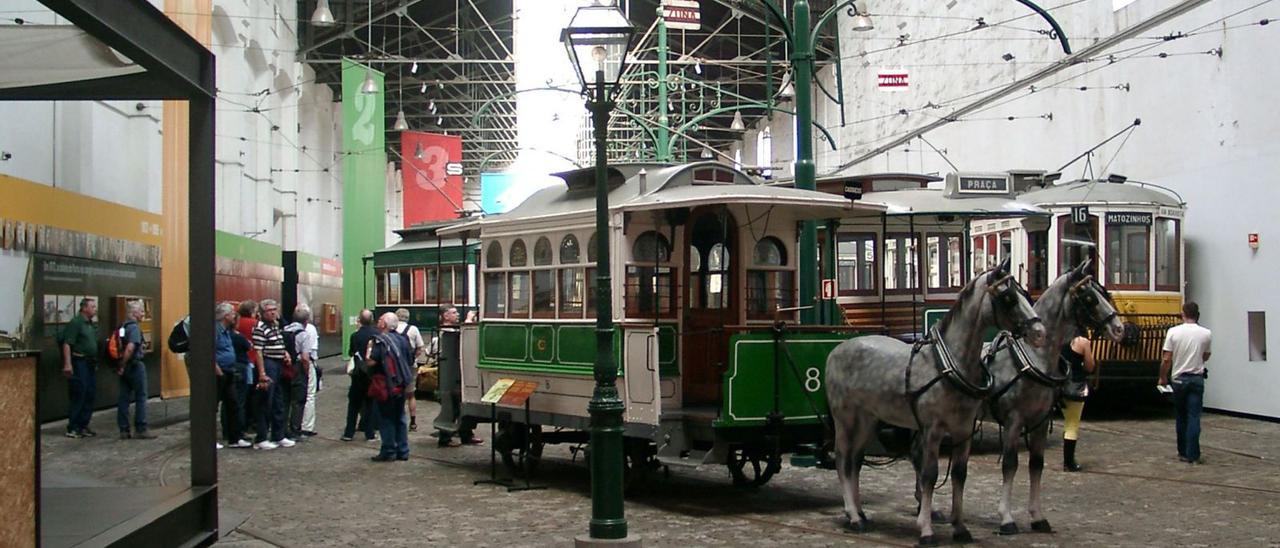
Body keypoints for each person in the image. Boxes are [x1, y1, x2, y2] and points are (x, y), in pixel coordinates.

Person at [1159, 302, 1212, 464]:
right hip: (1197, 378)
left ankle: (1182, 451)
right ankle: (1193, 455)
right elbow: (1206, 355)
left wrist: (1162, 377)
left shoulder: (1173, 332)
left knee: (1181, 416)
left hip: (1179, 379)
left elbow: (1167, 358)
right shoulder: (1206, 333)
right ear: (1197, 314)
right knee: (1194, 416)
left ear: (1183, 314)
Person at [365, 312, 415, 461]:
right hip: (401, 383)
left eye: (380, 319)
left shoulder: (379, 341)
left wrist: (368, 350)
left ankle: (388, 450)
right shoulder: (403, 339)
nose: (378, 322)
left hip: (385, 385)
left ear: (384, 324)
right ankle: (403, 450)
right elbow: (410, 358)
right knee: (400, 417)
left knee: (386, 418)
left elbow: (371, 362)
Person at [434, 305, 482, 447]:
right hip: (451, 375)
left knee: (460, 406)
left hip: (458, 373)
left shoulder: (452, 330)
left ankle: (465, 434)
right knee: (452, 406)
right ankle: (445, 437)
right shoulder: (445, 332)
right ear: (445, 316)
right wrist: (468, 320)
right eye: (453, 313)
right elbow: (464, 337)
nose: (457, 315)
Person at [252, 299, 295, 450]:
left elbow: (278, 343)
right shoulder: (260, 328)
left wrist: (285, 353)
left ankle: (279, 435)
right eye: (269, 310)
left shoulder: (275, 326)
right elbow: (258, 351)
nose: (273, 312)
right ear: (262, 313)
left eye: (274, 309)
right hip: (269, 364)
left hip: (278, 364)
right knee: (265, 402)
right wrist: (262, 373)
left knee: (278, 401)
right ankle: (261, 438)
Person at [59, 297, 100, 438]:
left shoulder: (90, 324)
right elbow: (67, 343)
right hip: (79, 362)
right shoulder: (76, 323)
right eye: (93, 306)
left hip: (90, 363)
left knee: (90, 393)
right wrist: (68, 363)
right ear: (84, 308)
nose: (95, 309)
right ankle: (73, 426)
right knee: (79, 393)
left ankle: (83, 425)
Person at [116, 301, 155, 439]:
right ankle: (141, 427)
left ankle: (123, 429)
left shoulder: (122, 326)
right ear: (134, 313)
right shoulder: (134, 328)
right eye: (141, 311)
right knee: (141, 396)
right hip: (134, 365)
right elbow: (130, 347)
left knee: (124, 398)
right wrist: (124, 363)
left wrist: (120, 366)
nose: (143, 314)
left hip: (124, 367)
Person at [215, 303, 251, 448]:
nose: (234, 316)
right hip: (220, 372)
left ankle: (235, 438)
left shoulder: (227, 331)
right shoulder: (215, 331)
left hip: (229, 371)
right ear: (225, 316)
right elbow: (210, 352)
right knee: (213, 406)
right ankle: (209, 439)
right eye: (232, 314)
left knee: (233, 404)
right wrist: (218, 372)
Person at [342, 310, 380, 442]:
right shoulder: (378, 335)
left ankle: (348, 433)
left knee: (353, 404)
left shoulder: (355, 336)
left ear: (360, 320)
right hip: (372, 374)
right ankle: (369, 433)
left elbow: (352, 352)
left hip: (358, 374)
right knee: (370, 404)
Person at [1060, 335, 1096, 472]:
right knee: (1072, 424)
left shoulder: (1058, 336)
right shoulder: (1082, 342)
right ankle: (1069, 462)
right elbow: (1089, 366)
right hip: (1074, 385)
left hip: (1057, 384)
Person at [282, 305, 315, 441]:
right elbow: (305, 357)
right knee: (298, 400)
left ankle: (282, 429)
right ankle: (295, 429)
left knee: (285, 400)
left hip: (284, 367)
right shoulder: (304, 334)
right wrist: (306, 372)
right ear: (306, 321)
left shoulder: (284, 330)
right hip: (298, 368)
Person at [394, 308, 426, 432]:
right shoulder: (413, 329)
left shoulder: (392, 329)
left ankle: (397, 419)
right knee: (411, 395)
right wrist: (412, 358)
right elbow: (420, 347)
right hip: (410, 366)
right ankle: (413, 422)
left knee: (396, 393)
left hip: (395, 367)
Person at [236, 300, 260, 434]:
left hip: (239, 361)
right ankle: (251, 422)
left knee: (241, 395)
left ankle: (240, 424)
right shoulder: (255, 324)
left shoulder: (237, 324)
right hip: (252, 360)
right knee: (253, 395)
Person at [299, 304, 321, 437]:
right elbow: (311, 351)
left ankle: (295, 423)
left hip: (293, 365)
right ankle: (307, 426)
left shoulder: (288, 328)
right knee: (309, 394)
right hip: (308, 363)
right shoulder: (311, 329)